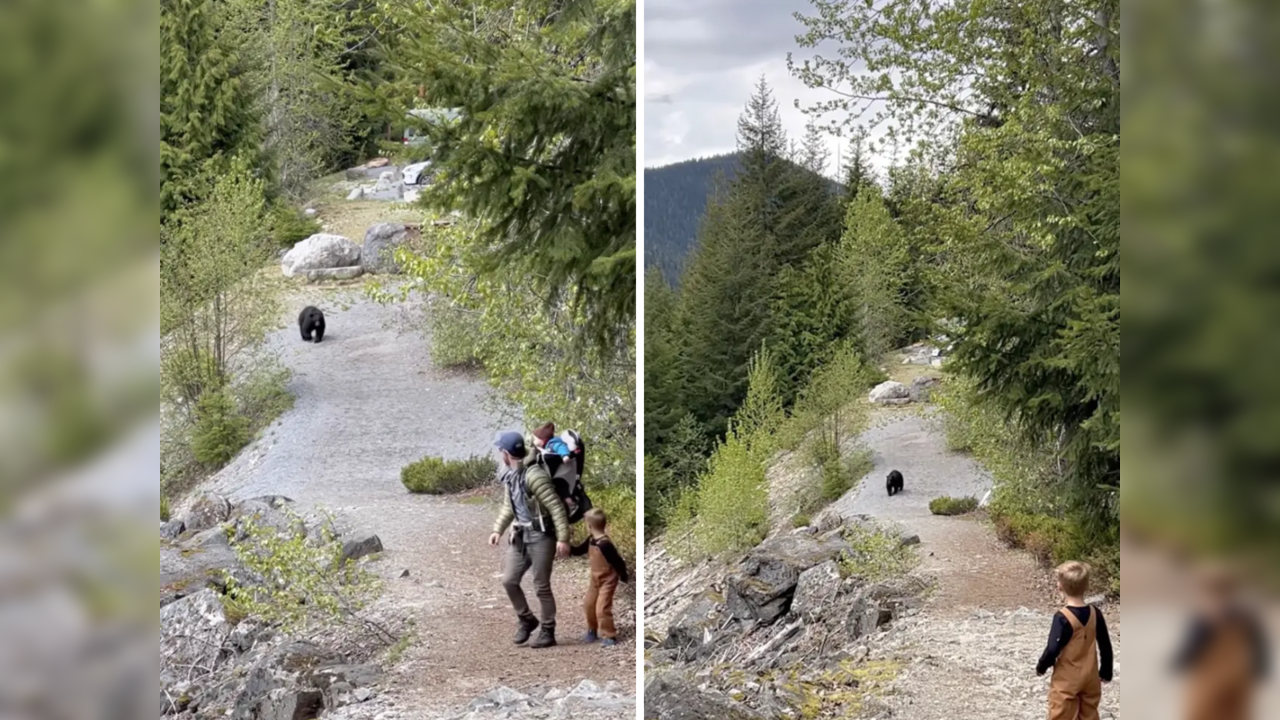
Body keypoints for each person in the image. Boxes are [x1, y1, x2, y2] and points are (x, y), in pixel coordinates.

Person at [489, 431, 570, 649]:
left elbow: (555, 507)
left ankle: (547, 630)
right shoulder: (510, 475)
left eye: (501, 451)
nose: (500, 455)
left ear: (507, 453)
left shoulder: (534, 476)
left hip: (542, 536)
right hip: (520, 535)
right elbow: (509, 506)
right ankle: (526, 619)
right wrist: (498, 529)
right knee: (509, 580)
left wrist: (563, 538)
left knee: (541, 586)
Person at [1169, 561, 1269, 720]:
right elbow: (1259, 647)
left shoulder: (1203, 617)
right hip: (1238, 679)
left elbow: (1191, 648)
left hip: (1208, 680)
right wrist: (1261, 670)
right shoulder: (1246, 616)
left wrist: (1176, 664)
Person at [1036, 561, 1114, 720]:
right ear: (1086, 586)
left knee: (1061, 713)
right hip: (1090, 677)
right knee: (1089, 714)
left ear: (1060, 586)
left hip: (1067, 679)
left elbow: (1052, 649)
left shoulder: (1062, 618)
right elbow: (1105, 645)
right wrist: (1106, 671)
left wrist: (1042, 666)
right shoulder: (1095, 613)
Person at [570, 508, 629, 647]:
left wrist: (623, 575)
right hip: (595, 579)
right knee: (589, 604)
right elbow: (579, 550)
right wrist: (568, 548)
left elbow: (618, 561)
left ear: (589, 526)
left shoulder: (605, 544)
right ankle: (592, 628)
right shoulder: (591, 540)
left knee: (602, 608)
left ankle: (609, 635)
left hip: (608, 580)